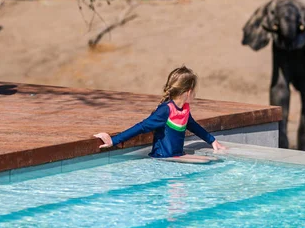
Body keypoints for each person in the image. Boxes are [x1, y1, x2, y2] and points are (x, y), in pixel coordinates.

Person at [94, 66, 227, 162]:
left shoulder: (184, 109)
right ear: (188, 92)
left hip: (176, 156)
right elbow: (142, 127)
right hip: (162, 158)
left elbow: (193, 126)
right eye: (194, 91)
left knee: (211, 161)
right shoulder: (165, 110)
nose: (195, 94)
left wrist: (212, 140)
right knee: (207, 162)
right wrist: (114, 140)